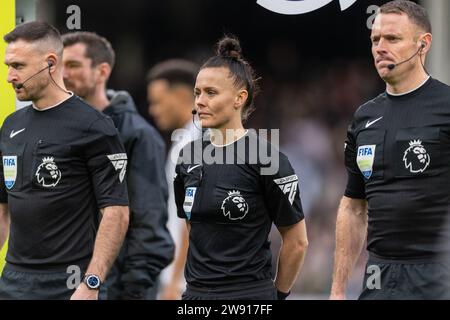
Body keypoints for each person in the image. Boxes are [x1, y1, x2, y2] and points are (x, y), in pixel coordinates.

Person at [0, 21, 129, 300]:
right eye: (8, 66)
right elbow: (3, 210)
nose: (10, 76)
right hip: (13, 282)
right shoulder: (10, 126)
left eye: (18, 66)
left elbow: (116, 212)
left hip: (69, 283)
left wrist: (91, 283)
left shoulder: (94, 126)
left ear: (50, 63)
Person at [331, 0, 450, 300]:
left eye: (392, 39)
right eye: (375, 39)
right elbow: (353, 207)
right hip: (378, 273)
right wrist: (337, 290)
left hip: (438, 274)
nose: (380, 47)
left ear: (423, 44)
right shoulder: (364, 118)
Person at [174, 35, 308, 300]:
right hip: (194, 297)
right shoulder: (188, 156)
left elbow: (297, 242)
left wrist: (277, 296)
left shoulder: (266, 158)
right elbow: (193, 227)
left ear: (239, 98)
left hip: (247, 296)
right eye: (197, 93)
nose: (200, 101)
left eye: (211, 93)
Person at [62, 31, 174, 300]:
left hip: (112, 289)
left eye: (73, 65)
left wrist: (132, 292)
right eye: (58, 66)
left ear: (102, 72)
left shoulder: (137, 135)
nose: (63, 74)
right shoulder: (56, 131)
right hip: (60, 286)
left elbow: (148, 225)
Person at [146, 59, 200, 300]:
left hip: (186, 281)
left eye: (157, 102)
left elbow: (194, 216)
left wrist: (176, 280)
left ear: (180, 95)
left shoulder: (192, 143)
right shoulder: (187, 138)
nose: (153, 110)